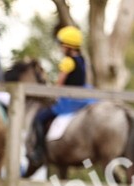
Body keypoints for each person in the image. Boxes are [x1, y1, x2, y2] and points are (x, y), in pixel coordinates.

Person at [28, 25, 92, 167]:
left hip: (68, 101)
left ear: (69, 46)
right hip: (83, 98)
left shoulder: (67, 62)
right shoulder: (82, 60)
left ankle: (39, 150)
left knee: (38, 119)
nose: (60, 49)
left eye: (62, 46)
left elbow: (59, 85)